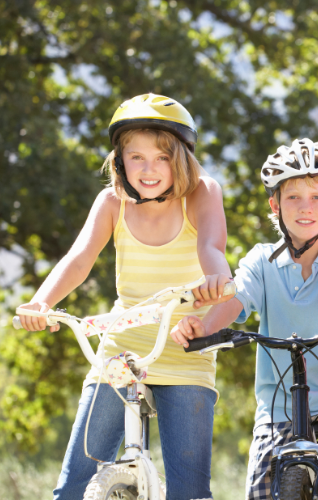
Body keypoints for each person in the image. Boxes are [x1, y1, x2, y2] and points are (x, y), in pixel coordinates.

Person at [16, 93, 231, 500]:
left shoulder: (202, 192)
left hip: (185, 349)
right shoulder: (112, 202)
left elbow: (211, 248)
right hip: (122, 351)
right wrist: (40, 303)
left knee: (189, 491)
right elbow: (78, 260)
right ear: (119, 160)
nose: (149, 170)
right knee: (73, 486)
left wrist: (217, 280)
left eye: (162, 158)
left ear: (180, 159)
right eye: (137, 158)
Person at [171, 138, 318, 500]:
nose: (305, 208)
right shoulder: (261, 261)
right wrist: (204, 327)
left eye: (317, 197)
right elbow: (236, 298)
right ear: (275, 205)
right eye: (293, 198)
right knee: (261, 491)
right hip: (280, 399)